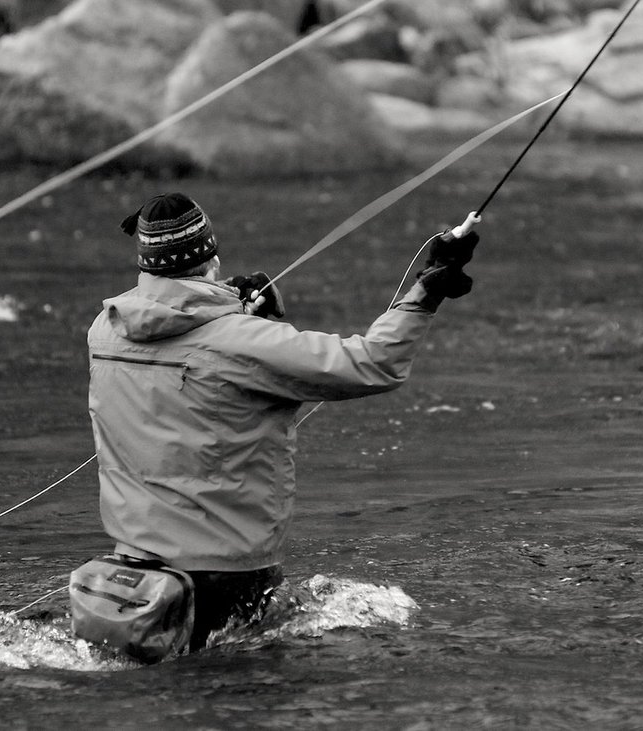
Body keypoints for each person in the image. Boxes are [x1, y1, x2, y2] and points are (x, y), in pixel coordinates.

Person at [85, 192, 478, 652]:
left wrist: (234, 301)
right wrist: (427, 288)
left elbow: (180, 331)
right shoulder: (244, 341)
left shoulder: (104, 330)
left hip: (129, 574)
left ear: (146, 264)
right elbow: (373, 363)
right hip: (226, 574)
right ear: (210, 256)